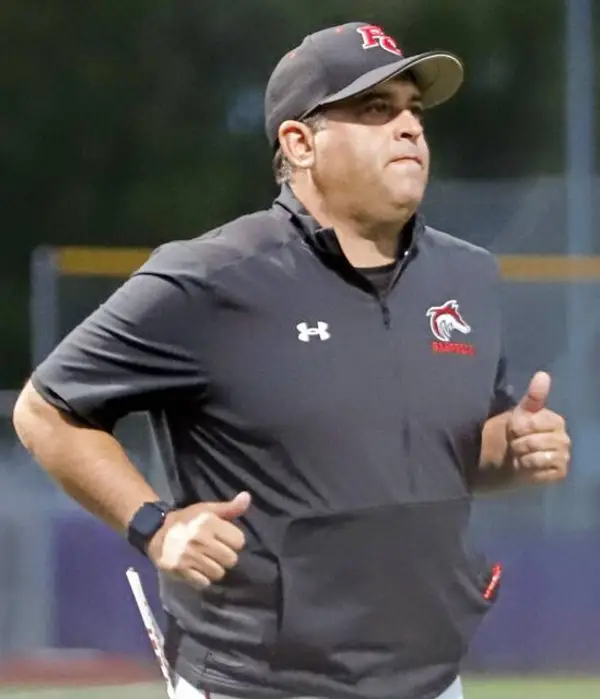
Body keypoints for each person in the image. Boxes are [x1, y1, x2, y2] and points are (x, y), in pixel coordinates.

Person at [13, 21, 570, 699]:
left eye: (414, 110)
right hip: (258, 682)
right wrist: (154, 525)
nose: (409, 128)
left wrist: (514, 449)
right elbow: (46, 411)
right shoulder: (212, 277)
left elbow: (455, 452)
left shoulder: (468, 276)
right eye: (376, 108)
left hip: (431, 680)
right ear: (300, 143)